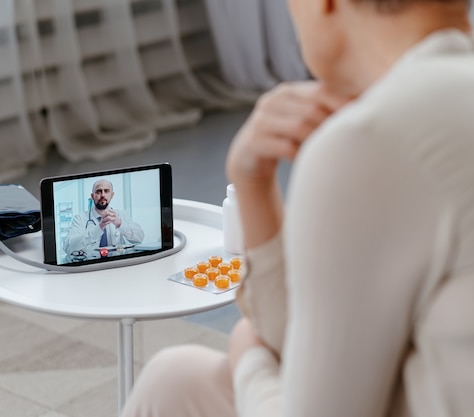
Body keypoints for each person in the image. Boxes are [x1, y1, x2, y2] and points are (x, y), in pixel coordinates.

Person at [120, 0, 474, 416]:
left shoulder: (374, 140)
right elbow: (310, 341)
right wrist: (251, 181)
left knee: (196, 375)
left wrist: (246, 354)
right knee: (176, 377)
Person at [63, 179, 144, 259]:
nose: (103, 195)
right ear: (92, 196)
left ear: (112, 195)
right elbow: (68, 247)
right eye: (98, 191)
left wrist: (119, 223)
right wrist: (99, 228)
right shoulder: (80, 218)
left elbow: (140, 238)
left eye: (106, 191)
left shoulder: (121, 215)